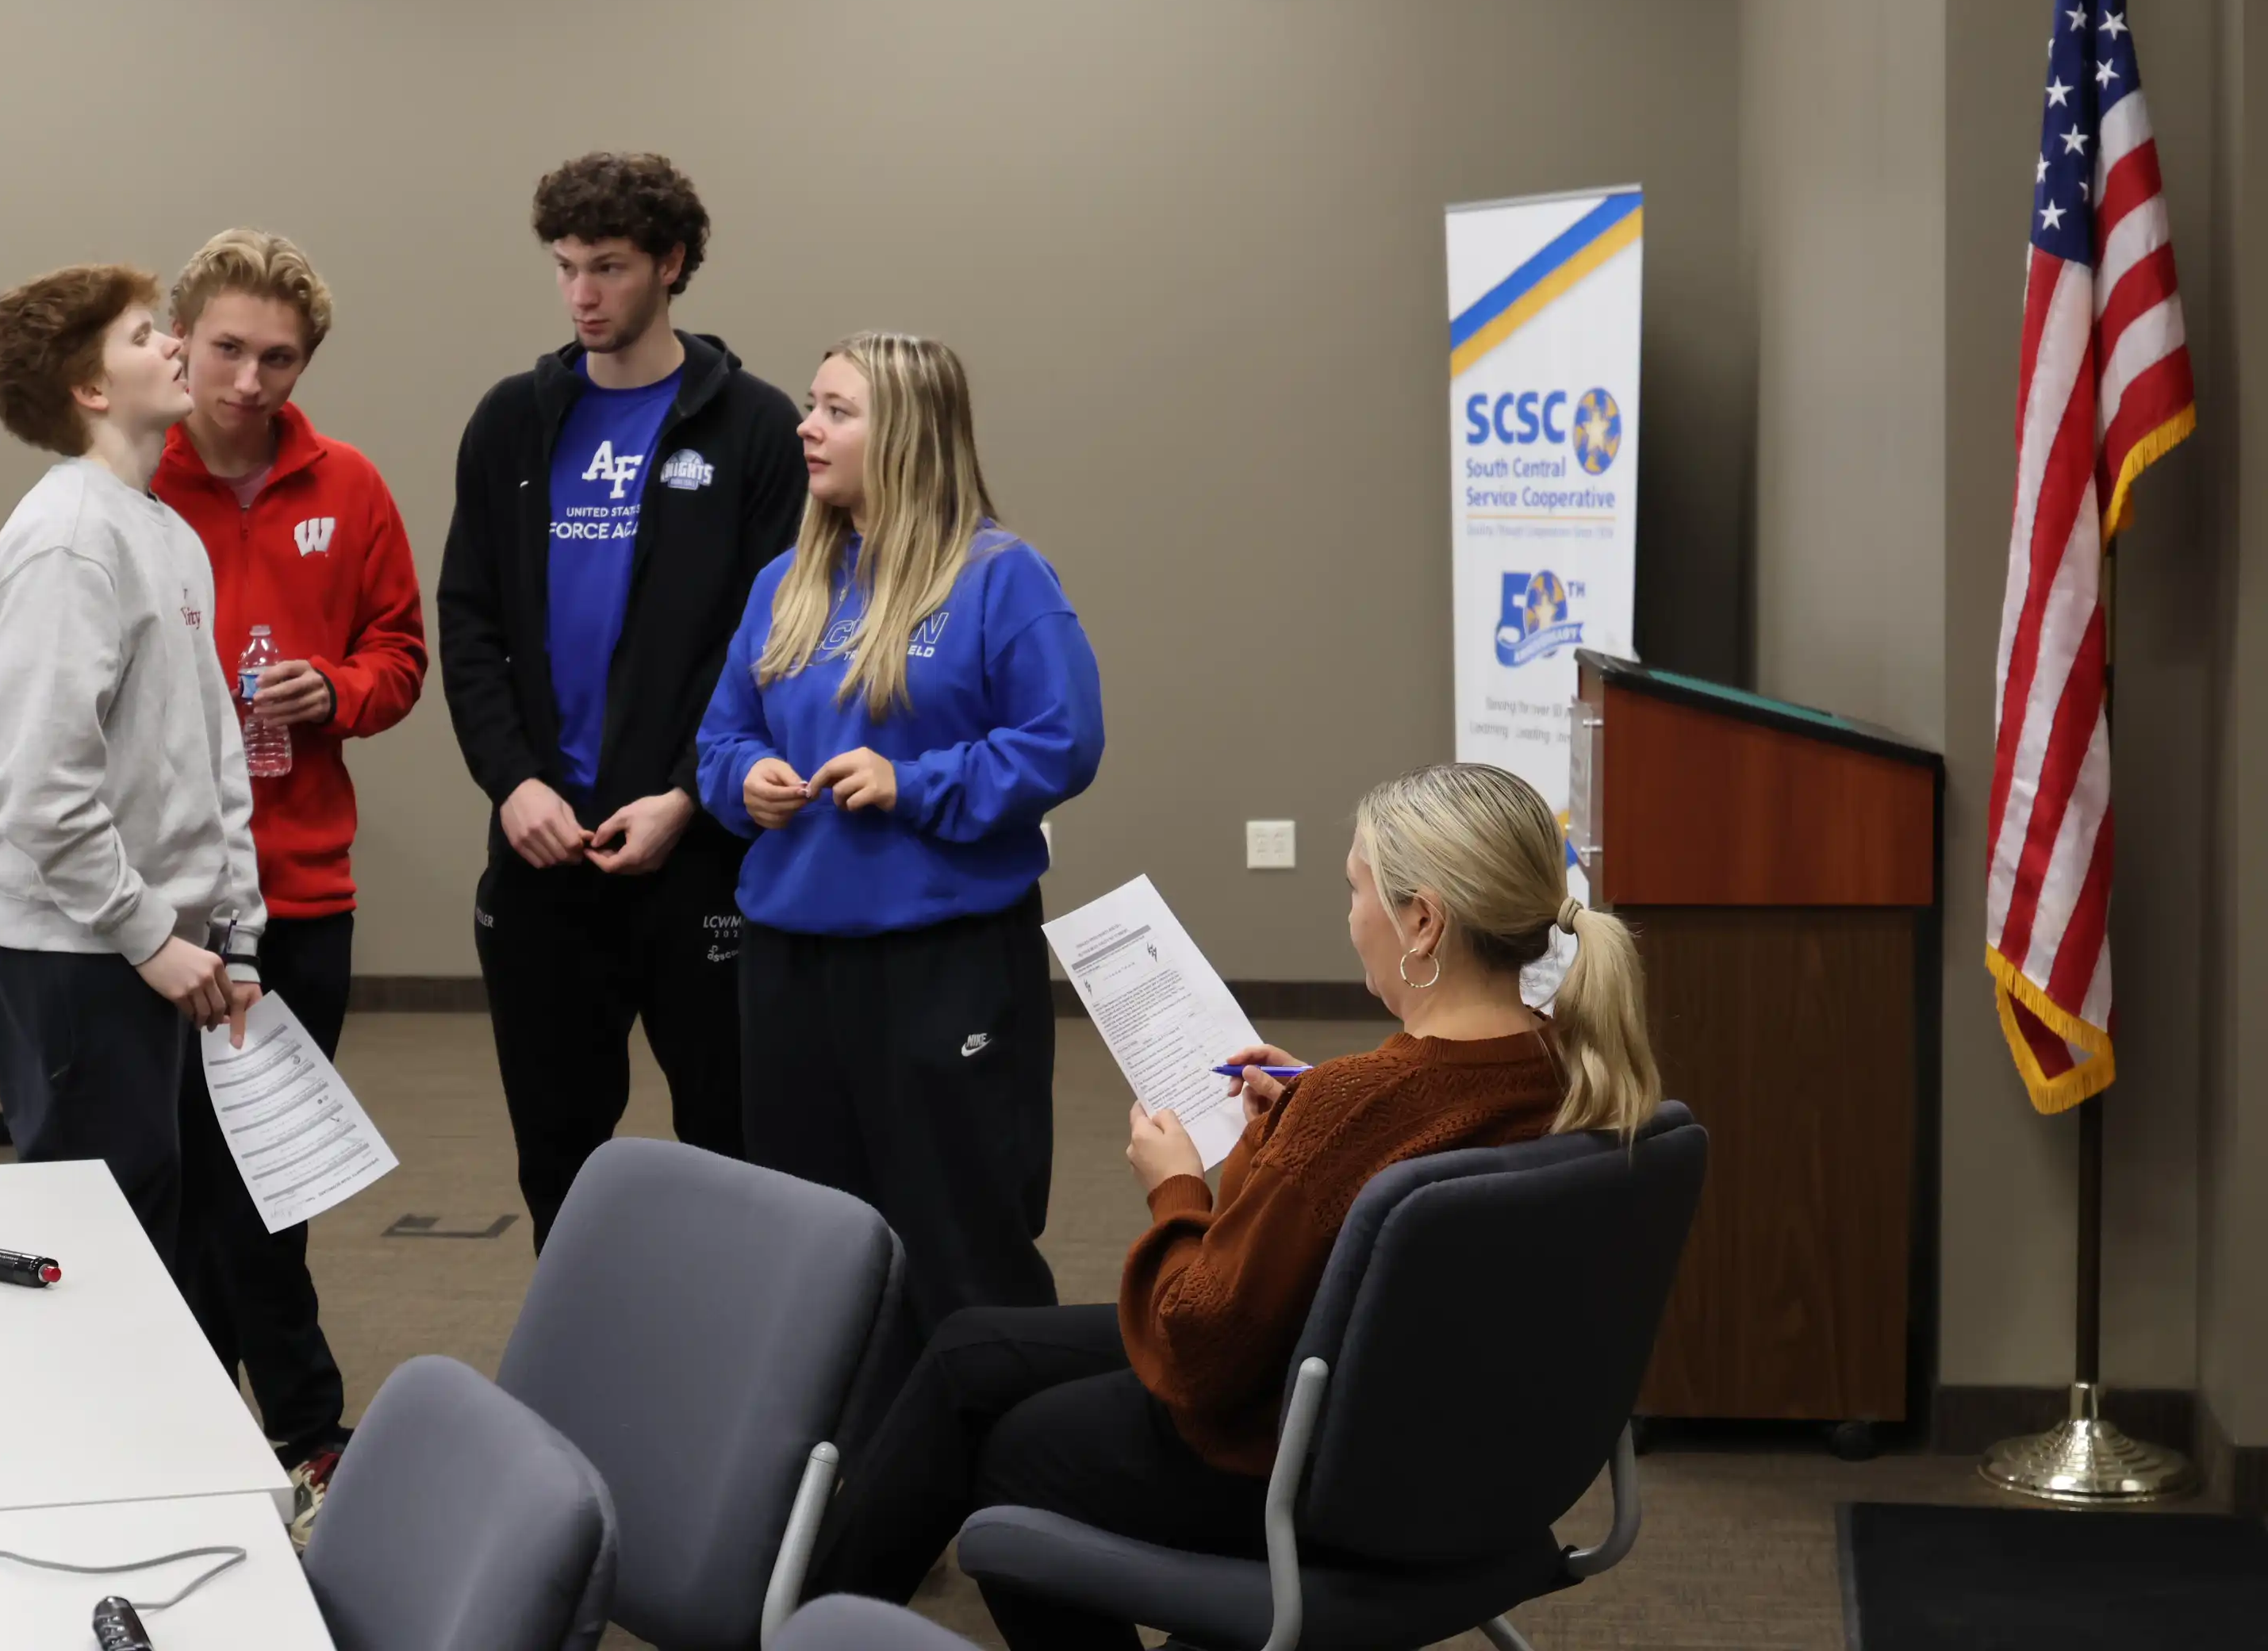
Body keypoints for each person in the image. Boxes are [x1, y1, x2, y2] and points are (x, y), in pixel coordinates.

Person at [805, 762, 1664, 1651]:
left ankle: (798, 1626)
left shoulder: (1357, 1106)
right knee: (970, 1352)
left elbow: (1196, 1349)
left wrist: (1175, 1185)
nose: (1349, 917)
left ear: (1423, 920)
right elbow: (1410, 1135)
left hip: (1310, 1464)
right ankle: (804, 1624)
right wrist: (1306, 1114)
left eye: (1355, 889)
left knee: (1015, 1456)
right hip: (1463, 1445)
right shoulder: (1582, 1070)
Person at [696, 332, 1103, 1336]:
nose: (807, 426)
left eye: (837, 409)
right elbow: (718, 738)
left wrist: (910, 781)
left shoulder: (1000, 577)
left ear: (908, 433)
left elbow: (1063, 742)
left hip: (943, 962)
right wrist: (746, 779)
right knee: (812, 1244)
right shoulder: (784, 581)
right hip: (791, 963)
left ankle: (993, 1478)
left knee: (961, 1242)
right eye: (811, 403)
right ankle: (837, 1478)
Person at [436, 152, 806, 1246]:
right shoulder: (513, 421)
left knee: (735, 1149)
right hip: (545, 850)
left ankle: (746, 1389)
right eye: (564, 268)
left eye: (608, 266)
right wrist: (513, 783)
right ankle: (579, 1380)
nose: (582, 294)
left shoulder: (752, 427)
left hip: (696, 854)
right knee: (561, 1156)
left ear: (671, 264)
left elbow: (775, 646)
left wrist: (688, 797)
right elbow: (470, 624)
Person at [150, 228, 426, 1534]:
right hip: (160, 907)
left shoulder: (349, 485)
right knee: (173, 1189)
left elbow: (403, 651)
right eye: (227, 350)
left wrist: (347, 691)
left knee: (267, 1178)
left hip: (301, 892)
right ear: (179, 339)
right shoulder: (131, 490)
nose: (250, 381)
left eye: (279, 358)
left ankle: (303, 1437)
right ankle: (218, 1424)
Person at [0, 264, 263, 1265]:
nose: (175, 344)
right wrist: (147, 936)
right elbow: (38, 791)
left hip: (152, 952)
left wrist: (237, 932)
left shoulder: (165, 532)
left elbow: (214, 754)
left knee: (158, 1230)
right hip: (72, 955)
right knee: (101, 1256)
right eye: (145, 336)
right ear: (92, 390)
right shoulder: (66, 542)